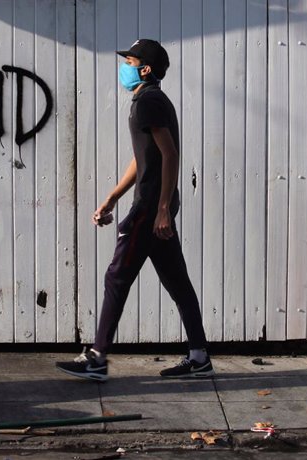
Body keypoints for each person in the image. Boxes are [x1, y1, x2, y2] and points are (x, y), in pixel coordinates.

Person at [56, 39, 213, 382]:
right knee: (178, 282)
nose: (124, 67)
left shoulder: (149, 101)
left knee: (116, 277)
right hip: (154, 204)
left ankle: (97, 358)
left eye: (129, 61)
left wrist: (160, 210)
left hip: (149, 208)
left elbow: (170, 155)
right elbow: (145, 158)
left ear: (145, 68)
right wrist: (112, 196)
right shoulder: (149, 100)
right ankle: (199, 356)